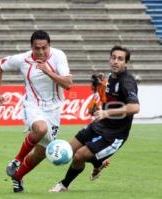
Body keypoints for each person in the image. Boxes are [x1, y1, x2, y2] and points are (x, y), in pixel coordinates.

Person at [49, 45, 140, 192]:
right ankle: (98, 161)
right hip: (99, 125)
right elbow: (108, 103)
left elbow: (134, 108)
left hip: (114, 134)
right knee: (69, 149)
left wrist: (106, 113)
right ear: (109, 59)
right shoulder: (109, 78)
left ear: (126, 63)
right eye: (113, 58)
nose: (116, 61)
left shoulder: (127, 82)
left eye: (120, 59)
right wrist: (98, 109)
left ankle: (64, 184)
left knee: (79, 156)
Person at [0, 30, 72, 193]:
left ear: (49, 46)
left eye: (44, 48)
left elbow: (68, 84)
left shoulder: (58, 56)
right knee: (40, 129)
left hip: (54, 109)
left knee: (42, 152)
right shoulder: (22, 59)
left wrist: (47, 71)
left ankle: (18, 177)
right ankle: (17, 160)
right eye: (37, 48)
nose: (41, 52)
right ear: (31, 48)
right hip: (33, 106)